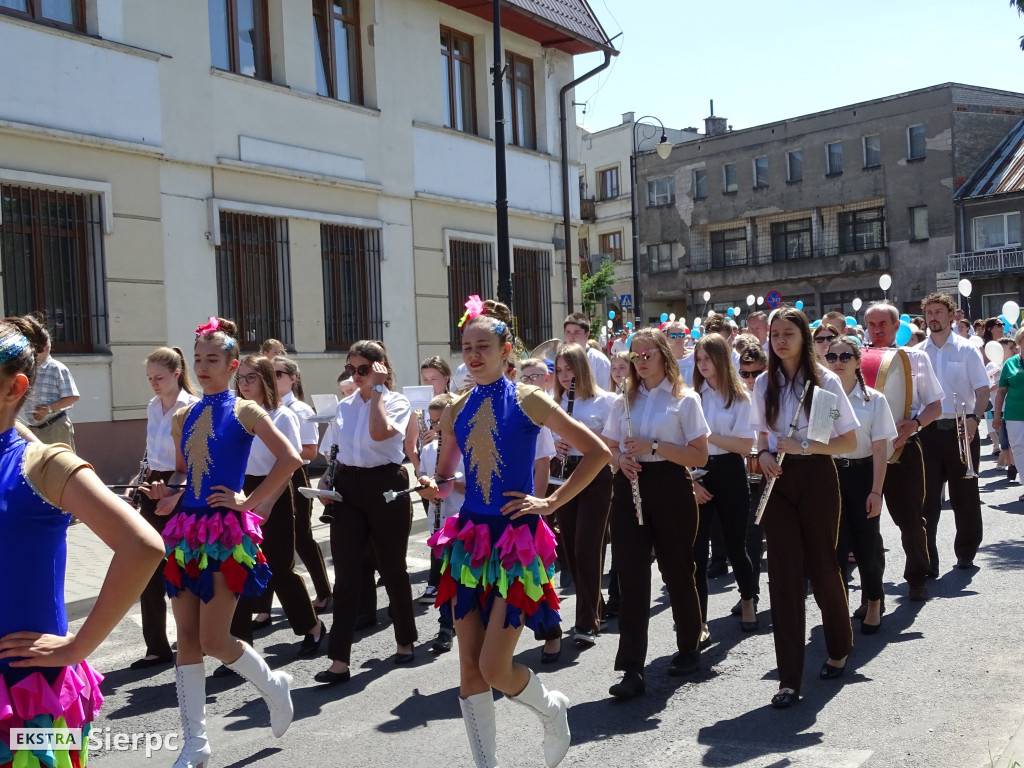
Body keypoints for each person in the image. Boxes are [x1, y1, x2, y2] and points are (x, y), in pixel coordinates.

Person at [419, 298, 610, 768]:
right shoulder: (455, 409)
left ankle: (551, 710)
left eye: (484, 346)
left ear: (507, 350)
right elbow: (445, 475)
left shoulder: (530, 399)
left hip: (517, 543)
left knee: (494, 667)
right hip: (469, 542)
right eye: (467, 347)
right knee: (469, 670)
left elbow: (597, 452)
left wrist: (550, 503)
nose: (473, 355)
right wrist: (431, 484)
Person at [0, 315, 164, 767]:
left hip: (25, 692)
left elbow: (143, 546)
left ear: (15, 388)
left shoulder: (43, 465)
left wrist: (78, 647)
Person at [146, 317, 302, 768]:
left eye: (213, 359)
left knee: (215, 638)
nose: (203, 366)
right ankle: (194, 742)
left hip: (224, 533)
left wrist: (248, 502)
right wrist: (167, 494)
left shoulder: (245, 410)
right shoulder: (183, 414)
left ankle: (273, 685)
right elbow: (183, 475)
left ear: (233, 364)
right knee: (188, 639)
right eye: (198, 359)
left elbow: (289, 459)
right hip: (185, 531)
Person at [750, 307, 858, 709]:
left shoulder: (825, 380)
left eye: (788, 333)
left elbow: (845, 441)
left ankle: (839, 645)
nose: (779, 340)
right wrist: (762, 452)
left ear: (804, 338)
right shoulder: (764, 383)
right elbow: (760, 432)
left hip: (816, 476)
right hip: (776, 480)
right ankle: (789, 678)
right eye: (774, 334)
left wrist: (803, 446)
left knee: (822, 565)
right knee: (782, 576)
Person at [602, 328, 710, 699]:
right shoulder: (622, 400)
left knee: (677, 570)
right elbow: (610, 444)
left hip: (670, 485)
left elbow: (699, 456)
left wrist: (655, 446)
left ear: (665, 356)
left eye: (648, 354)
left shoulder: (685, 399)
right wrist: (619, 459)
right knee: (630, 576)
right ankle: (632, 667)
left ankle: (689, 645)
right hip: (630, 486)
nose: (641, 361)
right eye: (636, 355)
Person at [314, 341, 418, 684]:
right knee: (346, 574)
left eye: (363, 369)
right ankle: (339, 660)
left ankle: (404, 640)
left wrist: (376, 393)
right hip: (348, 486)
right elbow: (336, 451)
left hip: (385, 483)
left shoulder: (397, 402)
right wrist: (327, 481)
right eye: (352, 369)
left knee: (391, 567)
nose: (355, 376)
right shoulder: (344, 406)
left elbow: (379, 432)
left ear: (379, 368)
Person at [223, 355, 323, 670]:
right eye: (240, 378)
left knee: (279, 568)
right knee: (236, 568)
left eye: (251, 377)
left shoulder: (283, 416)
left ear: (267, 380)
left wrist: (264, 503)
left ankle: (312, 626)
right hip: (239, 491)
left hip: (275, 492)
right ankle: (238, 647)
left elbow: (287, 467)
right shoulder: (235, 415)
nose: (244, 383)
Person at [865, 302, 943, 598]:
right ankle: (873, 590)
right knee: (867, 523)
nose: (877, 330)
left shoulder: (916, 358)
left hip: (903, 450)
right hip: (867, 456)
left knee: (911, 520)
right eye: (871, 325)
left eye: (883, 324)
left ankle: (917, 579)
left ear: (898, 326)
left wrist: (915, 424)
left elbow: (935, 405)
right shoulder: (857, 356)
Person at [131, 347, 199, 671]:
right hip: (154, 483)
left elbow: (195, 462)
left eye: (159, 378)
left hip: (184, 484)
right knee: (148, 567)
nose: (154, 384)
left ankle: (195, 639)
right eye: (149, 379)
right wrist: (139, 477)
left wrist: (175, 491)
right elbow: (150, 450)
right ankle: (156, 646)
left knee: (182, 567)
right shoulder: (153, 406)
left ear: (176, 373)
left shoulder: (192, 407)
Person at [826, 336, 897, 633]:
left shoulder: (874, 400)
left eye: (845, 357)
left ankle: (874, 601)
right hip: (831, 475)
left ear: (857, 362)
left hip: (863, 474)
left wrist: (876, 491)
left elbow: (880, 450)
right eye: (832, 357)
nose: (838, 362)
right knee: (835, 548)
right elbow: (817, 442)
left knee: (867, 545)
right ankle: (839, 606)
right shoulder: (823, 399)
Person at [691, 334, 758, 641]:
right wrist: (692, 480)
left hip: (730, 470)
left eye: (708, 358)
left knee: (735, 545)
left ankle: (748, 599)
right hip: (698, 471)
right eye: (698, 359)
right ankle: (699, 618)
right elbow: (680, 441)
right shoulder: (691, 395)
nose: (703, 365)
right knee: (696, 551)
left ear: (721, 358)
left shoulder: (741, 396)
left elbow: (744, 445)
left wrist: (707, 435)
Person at [918, 293, 989, 573]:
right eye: (929, 312)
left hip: (961, 429)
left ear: (951, 316)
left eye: (938, 311)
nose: (933, 317)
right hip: (927, 432)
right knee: (926, 500)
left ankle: (966, 553)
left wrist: (974, 417)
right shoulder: (917, 352)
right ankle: (928, 560)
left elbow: (982, 390)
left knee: (965, 496)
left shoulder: (967, 349)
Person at [550, 343, 615, 646]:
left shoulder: (605, 402)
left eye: (569, 369)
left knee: (587, 547)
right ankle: (595, 605)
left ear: (582, 369)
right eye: (559, 370)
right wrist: (557, 445)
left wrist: (582, 438)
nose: (564, 376)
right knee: (571, 550)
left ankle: (585, 623)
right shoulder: (555, 404)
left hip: (596, 475)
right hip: (563, 475)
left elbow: (613, 444)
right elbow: (544, 442)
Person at [270, 356, 332, 613]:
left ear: (293, 378)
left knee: (302, 538)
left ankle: (324, 592)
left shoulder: (301, 410)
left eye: (279, 374)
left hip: (294, 476)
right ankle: (263, 606)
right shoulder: (265, 407)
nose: (273, 379)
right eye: (270, 374)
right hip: (268, 476)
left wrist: (282, 453)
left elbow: (310, 451)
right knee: (270, 540)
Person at [418, 392, 466, 653]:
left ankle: (461, 623)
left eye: (441, 422)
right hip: (440, 523)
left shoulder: (470, 448)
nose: (435, 428)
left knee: (464, 578)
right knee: (446, 575)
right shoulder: (428, 451)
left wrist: (449, 484)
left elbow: (478, 490)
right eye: (433, 422)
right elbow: (423, 478)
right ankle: (446, 625)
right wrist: (427, 489)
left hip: (465, 521)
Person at [16, 318, 80, 450]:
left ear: (46, 348)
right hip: (33, 429)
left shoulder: (57, 368)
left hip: (54, 426)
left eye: (35, 349)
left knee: (60, 466)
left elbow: (73, 397)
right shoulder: (29, 369)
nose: (32, 352)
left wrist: (49, 409)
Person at [993, 326, 1024, 502]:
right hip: (1014, 413)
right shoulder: (1010, 363)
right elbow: (1001, 391)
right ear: (1020, 342)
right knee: (1019, 448)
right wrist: (997, 416)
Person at [564, 312, 610, 389]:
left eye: (576, 332)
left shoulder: (599, 360)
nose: (571, 337)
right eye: (568, 332)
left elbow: (607, 391)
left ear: (587, 334)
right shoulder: (560, 358)